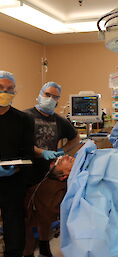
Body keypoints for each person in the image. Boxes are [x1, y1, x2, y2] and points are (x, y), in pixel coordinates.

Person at [23, 82, 80, 257]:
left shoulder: (60, 121)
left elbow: (76, 138)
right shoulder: (25, 117)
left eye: (55, 97)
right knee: (26, 214)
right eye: (48, 94)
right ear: (40, 94)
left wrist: (64, 151)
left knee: (46, 213)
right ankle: (27, 249)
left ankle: (44, 244)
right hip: (26, 171)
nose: (51, 99)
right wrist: (41, 152)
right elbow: (21, 143)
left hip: (50, 173)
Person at [0, 71, 34, 257]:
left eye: (10, 89)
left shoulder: (23, 120)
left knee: (14, 229)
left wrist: (16, 168)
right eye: (1, 88)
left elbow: (28, 153)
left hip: (12, 180)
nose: (5, 92)